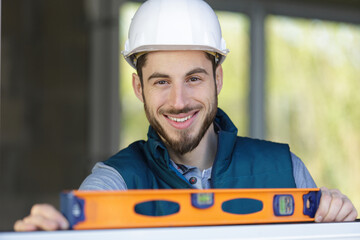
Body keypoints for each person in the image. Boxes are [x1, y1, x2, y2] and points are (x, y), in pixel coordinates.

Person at [14, 0, 357, 231]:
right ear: (139, 88)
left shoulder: (285, 170)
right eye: (161, 81)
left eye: (194, 78)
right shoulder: (115, 182)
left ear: (217, 78)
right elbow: (82, 219)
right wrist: (54, 234)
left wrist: (340, 223)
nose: (179, 101)